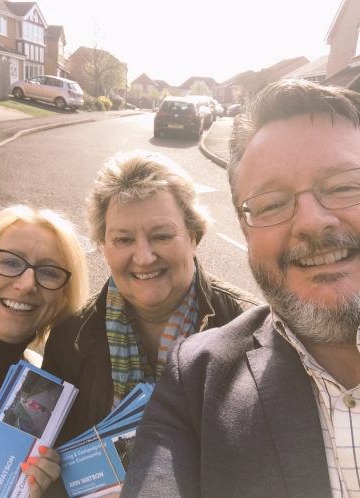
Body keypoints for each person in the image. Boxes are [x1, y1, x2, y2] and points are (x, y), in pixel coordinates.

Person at [120, 79, 360, 498]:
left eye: (344, 186)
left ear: (193, 240)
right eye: (270, 204)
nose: (311, 221)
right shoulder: (195, 380)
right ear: (246, 233)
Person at [42, 149, 261, 448]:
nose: (144, 258)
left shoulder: (255, 334)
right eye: (123, 240)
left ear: (193, 238)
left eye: (161, 235)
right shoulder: (69, 336)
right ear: (104, 247)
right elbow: (46, 450)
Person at [0, 205, 88, 498]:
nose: (27, 284)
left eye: (48, 272)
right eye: (9, 262)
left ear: (65, 295)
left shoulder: (39, 390)